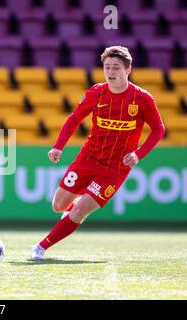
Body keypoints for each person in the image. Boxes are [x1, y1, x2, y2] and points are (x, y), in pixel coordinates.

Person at [30, 46, 165, 260]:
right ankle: (76, 209)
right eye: (107, 67)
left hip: (116, 168)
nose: (111, 72)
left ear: (128, 70)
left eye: (116, 68)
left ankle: (40, 247)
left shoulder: (142, 99)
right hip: (88, 158)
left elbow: (159, 129)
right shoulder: (96, 92)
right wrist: (58, 146)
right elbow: (74, 119)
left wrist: (139, 154)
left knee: (79, 211)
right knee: (58, 206)